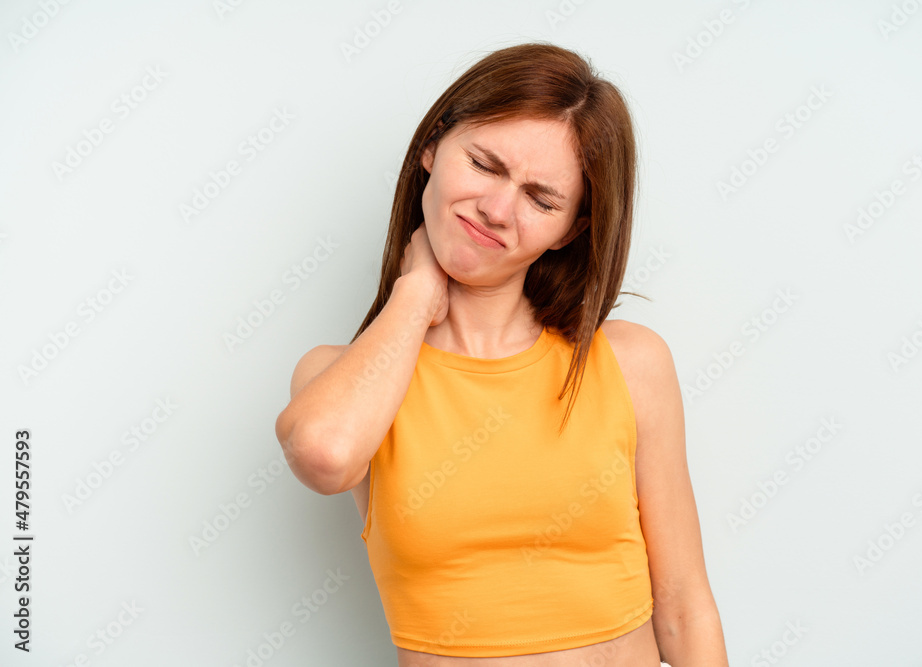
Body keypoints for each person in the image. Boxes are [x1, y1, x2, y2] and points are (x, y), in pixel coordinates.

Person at [274, 41, 728, 666]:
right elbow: (323, 455)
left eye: (541, 200)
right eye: (485, 165)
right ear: (431, 147)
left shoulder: (628, 362)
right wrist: (418, 292)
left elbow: (683, 604)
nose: (497, 210)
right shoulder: (341, 377)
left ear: (570, 230)